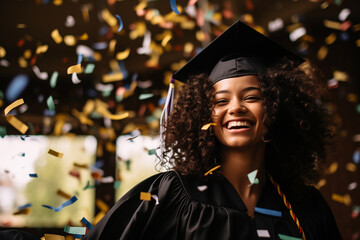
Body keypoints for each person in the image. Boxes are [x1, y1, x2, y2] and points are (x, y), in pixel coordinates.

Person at [83, 20, 342, 239]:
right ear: (204, 115)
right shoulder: (174, 194)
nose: (236, 108)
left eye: (252, 97)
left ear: (276, 108)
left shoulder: (305, 205)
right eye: (220, 101)